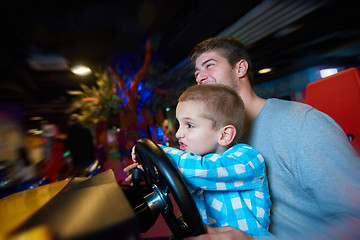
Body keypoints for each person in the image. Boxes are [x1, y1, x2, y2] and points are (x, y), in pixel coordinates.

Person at [182, 36, 360, 240]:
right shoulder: (220, 138)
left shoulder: (300, 123)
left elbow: (356, 219)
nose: (200, 78)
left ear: (240, 69)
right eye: (197, 72)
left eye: (209, 66)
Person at [127, 84, 271, 236]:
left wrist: (159, 151)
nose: (178, 134)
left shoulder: (247, 158)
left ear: (224, 135)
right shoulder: (193, 166)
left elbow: (205, 170)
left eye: (189, 125)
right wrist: (152, 171)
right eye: (179, 124)